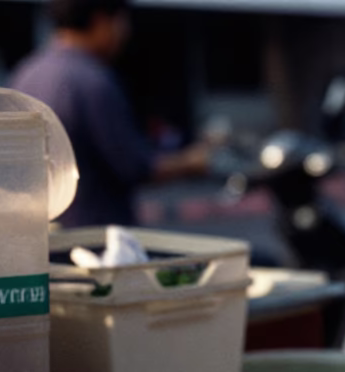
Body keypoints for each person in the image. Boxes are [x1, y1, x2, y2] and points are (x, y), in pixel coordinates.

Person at [10, 0, 208, 228]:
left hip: (43, 236)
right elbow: (135, 166)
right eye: (121, 21)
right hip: (96, 239)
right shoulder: (93, 81)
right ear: (101, 20)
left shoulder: (24, 74)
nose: (125, 32)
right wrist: (194, 161)